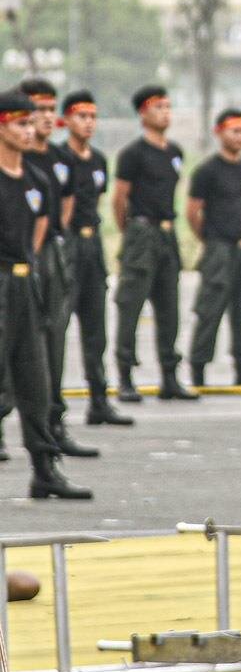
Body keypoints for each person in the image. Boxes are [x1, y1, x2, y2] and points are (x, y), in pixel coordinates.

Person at [0, 90, 90, 500]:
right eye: (19, 123)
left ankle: (44, 468)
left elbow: (38, 233)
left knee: (35, 377)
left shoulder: (36, 180)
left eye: (29, 122)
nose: (28, 129)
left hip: (24, 285)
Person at [20, 76, 98, 460]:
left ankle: (53, 427)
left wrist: (52, 242)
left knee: (53, 344)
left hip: (52, 255)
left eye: (52, 109)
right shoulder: (17, 159)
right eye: (39, 109)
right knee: (12, 349)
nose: (47, 117)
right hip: (16, 260)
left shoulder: (60, 160)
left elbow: (62, 207)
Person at [112, 86, 197, 403]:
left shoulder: (174, 152)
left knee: (169, 308)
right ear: (143, 113)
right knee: (130, 306)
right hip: (142, 232)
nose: (166, 112)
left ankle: (170, 377)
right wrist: (132, 233)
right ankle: (124, 376)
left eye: (168, 106)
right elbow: (119, 199)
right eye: (158, 107)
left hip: (167, 234)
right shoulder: (132, 154)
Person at [60, 88, 131, 426]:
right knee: (57, 328)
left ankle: (99, 400)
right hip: (67, 244)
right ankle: (52, 409)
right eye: (80, 116)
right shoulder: (58, 159)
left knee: (95, 329)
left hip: (92, 246)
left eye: (92, 117)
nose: (88, 123)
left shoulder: (100, 160)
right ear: (67, 120)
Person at [187, 107, 241, 387]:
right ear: (219, 133)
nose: (240, 136)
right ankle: (198, 369)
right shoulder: (207, 171)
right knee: (210, 310)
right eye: (235, 131)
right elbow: (193, 212)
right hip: (220, 249)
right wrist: (209, 240)